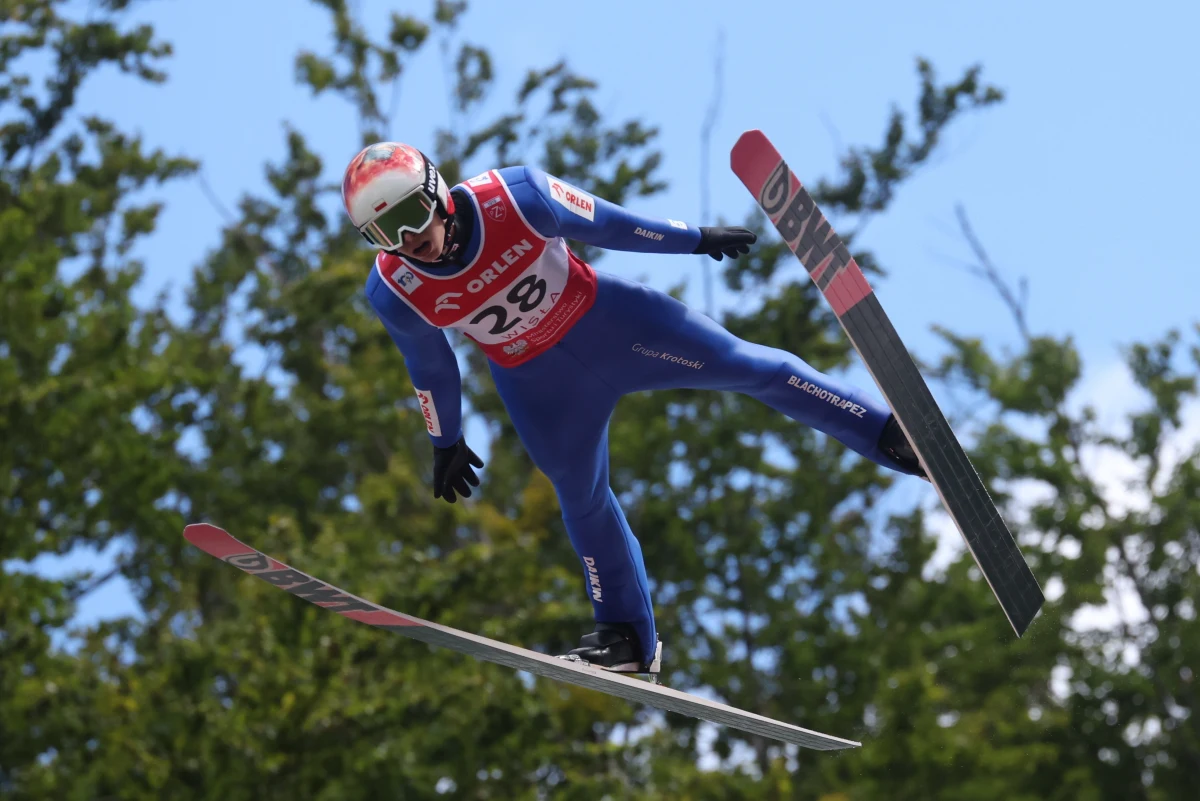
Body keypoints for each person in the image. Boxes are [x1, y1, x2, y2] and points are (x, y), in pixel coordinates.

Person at [343, 142, 925, 681]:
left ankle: (888, 433)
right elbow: (431, 368)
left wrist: (693, 238)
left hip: (617, 328)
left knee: (753, 369)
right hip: (540, 386)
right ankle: (626, 639)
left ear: (438, 192)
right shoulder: (394, 289)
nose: (408, 239)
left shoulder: (515, 197)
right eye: (383, 232)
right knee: (581, 497)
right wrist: (444, 439)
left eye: (411, 217)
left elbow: (612, 224)